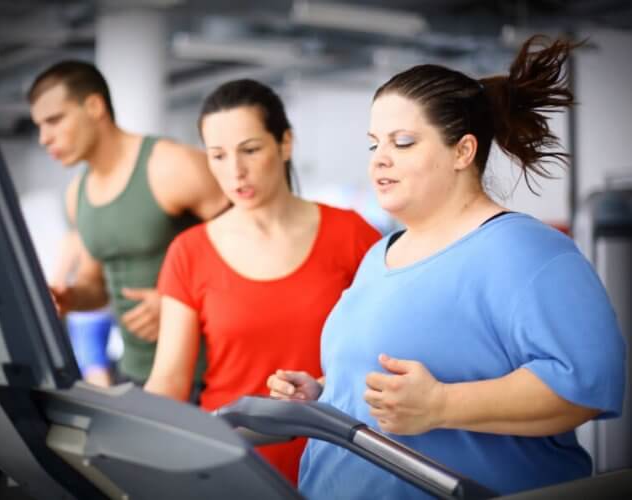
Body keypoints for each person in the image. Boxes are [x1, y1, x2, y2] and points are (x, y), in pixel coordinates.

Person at [267, 35, 626, 499]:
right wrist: (325, 395)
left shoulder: (528, 252)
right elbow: (391, 381)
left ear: (463, 152)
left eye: (403, 142)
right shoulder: (381, 255)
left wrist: (442, 405)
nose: (380, 158)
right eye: (374, 143)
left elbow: (584, 385)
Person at [144, 79, 381, 484]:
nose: (235, 171)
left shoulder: (352, 235)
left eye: (250, 150)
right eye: (217, 156)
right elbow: (170, 379)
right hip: (231, 470)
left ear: (284, 144)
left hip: (340, 465)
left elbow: (382, 350)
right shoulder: (189, 252)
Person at [29, 61, 228, 385]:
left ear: (93, 106)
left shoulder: (170, 165)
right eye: (39, 125)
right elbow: (96, 287)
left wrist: (179, 302)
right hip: (136, 374)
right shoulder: (76, 194)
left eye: (54, 120)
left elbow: (250, 252)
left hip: (206, 373)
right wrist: (70, 298)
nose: (43, 138)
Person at [51, 230, 115, 387]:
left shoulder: (73, 239)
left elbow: (58, 283)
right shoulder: (99, 234)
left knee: (94, 367)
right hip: (104, 309)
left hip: (85, 316)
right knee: (98, 365)